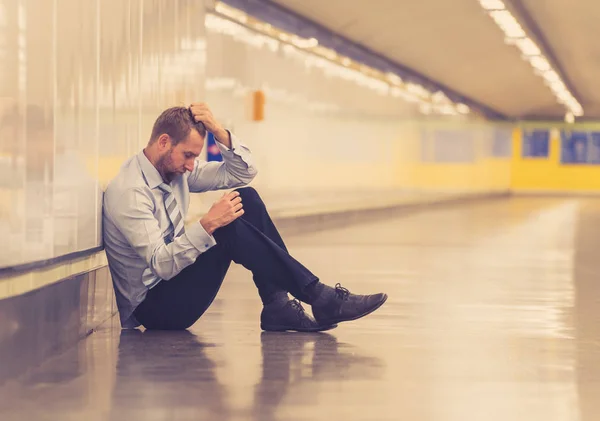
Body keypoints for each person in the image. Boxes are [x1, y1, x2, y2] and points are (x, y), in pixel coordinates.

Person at [102, 103, 387, 332]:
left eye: (195, 157)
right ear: (164, 142)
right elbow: (162, 265)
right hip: (157, 308)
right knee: (225, 228)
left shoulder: (174, 171)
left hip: (176, 282)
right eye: (187, 156)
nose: (191, 166)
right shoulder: (130, 192)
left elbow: (242, 173)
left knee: (245, 198)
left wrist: (218, 131)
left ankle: (278, 305)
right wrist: (208, 224)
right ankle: (319, 296)